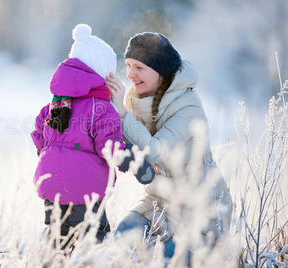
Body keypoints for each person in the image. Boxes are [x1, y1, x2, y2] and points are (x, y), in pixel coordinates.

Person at [106, 32, 232, 261]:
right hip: (159, 200)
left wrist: (123, 115)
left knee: (171, 259)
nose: (131, 74)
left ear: (160, 71)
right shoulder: (136, 100)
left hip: (200, 206)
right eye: (128, 65)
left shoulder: (187, 106)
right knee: (124, 237)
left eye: (139, 67)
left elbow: (155, 150)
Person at [31, 24, 126, 249]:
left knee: (58, 236)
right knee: (93, 240)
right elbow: (110, 147)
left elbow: (38, 136)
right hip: (87, 191)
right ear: (104, 74)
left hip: (51, 187)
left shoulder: (54, 105)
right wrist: (132, 161)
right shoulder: (102, 109)